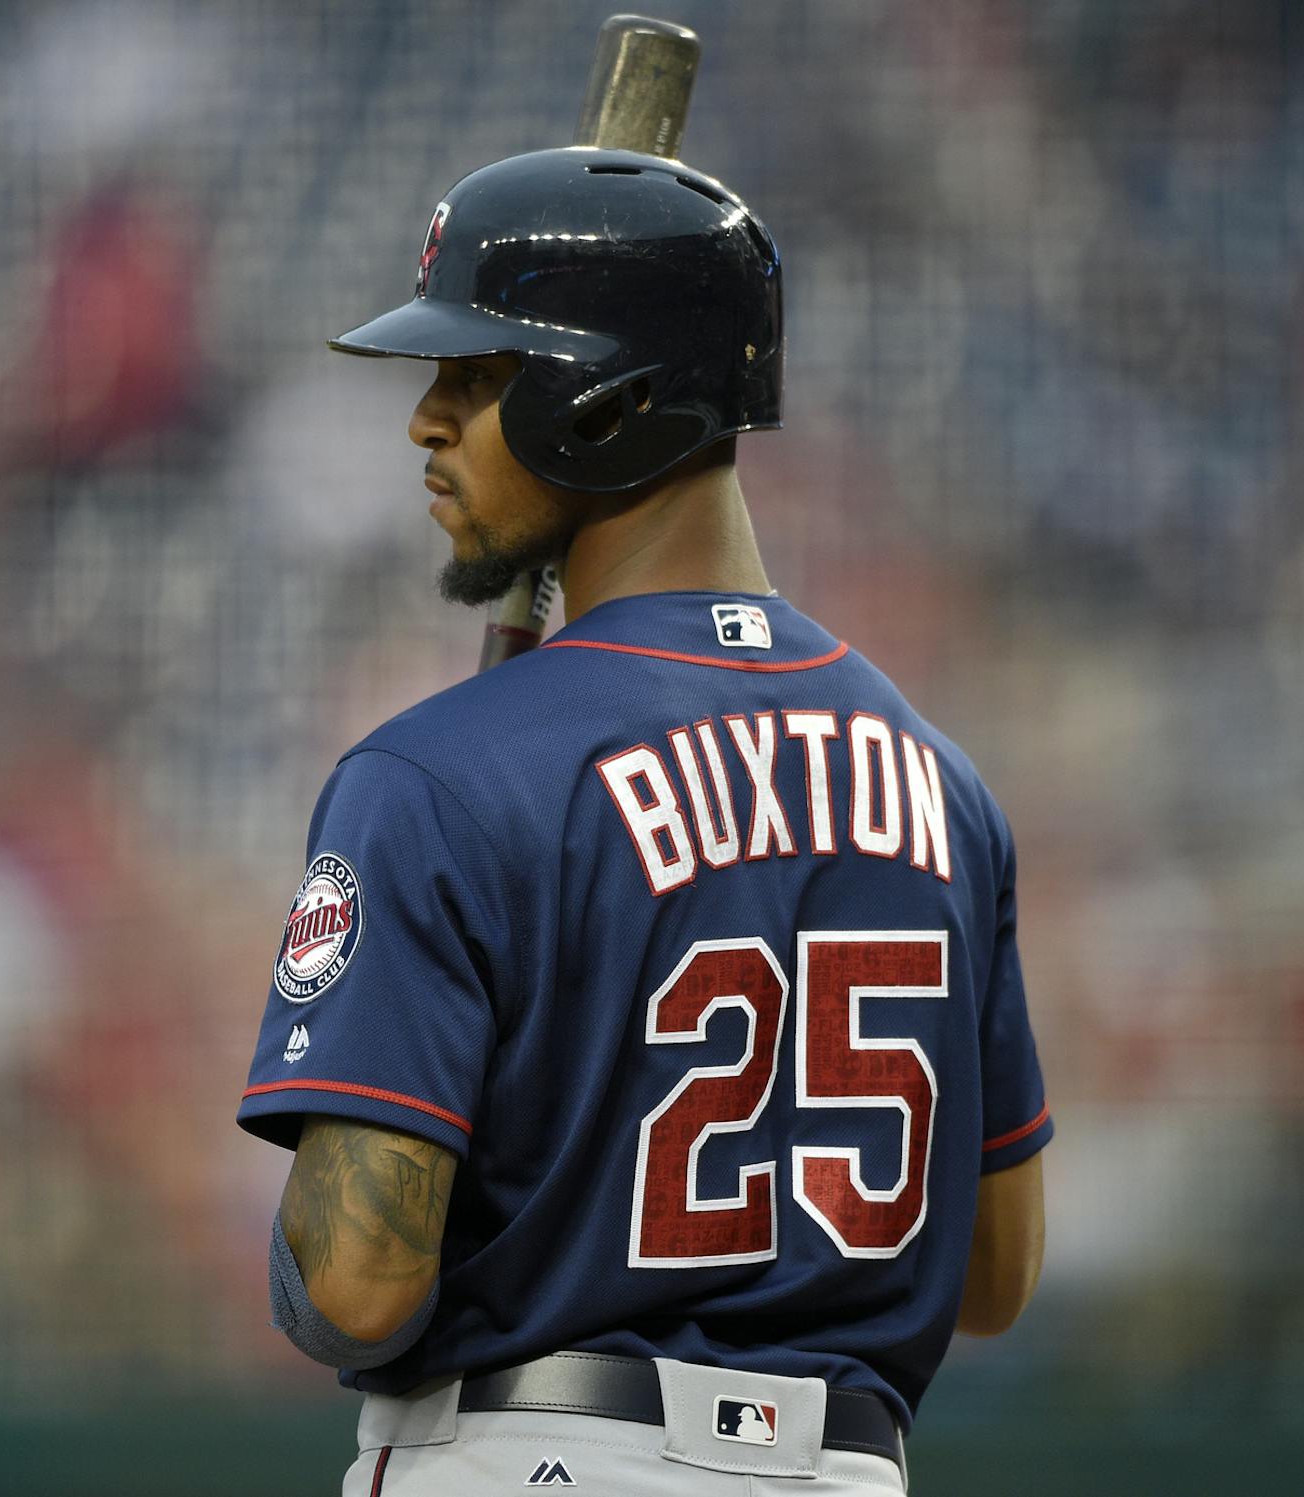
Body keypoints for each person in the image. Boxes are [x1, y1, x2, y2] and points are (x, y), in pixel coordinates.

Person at [238, 147, 1050, 1496]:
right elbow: (996, 1272)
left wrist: (309, 1263)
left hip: (533, 1455)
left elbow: (362, 1285)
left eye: (477, 377)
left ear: (601, 404)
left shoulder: (437, 776)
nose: (424, 422)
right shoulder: (940, 782)